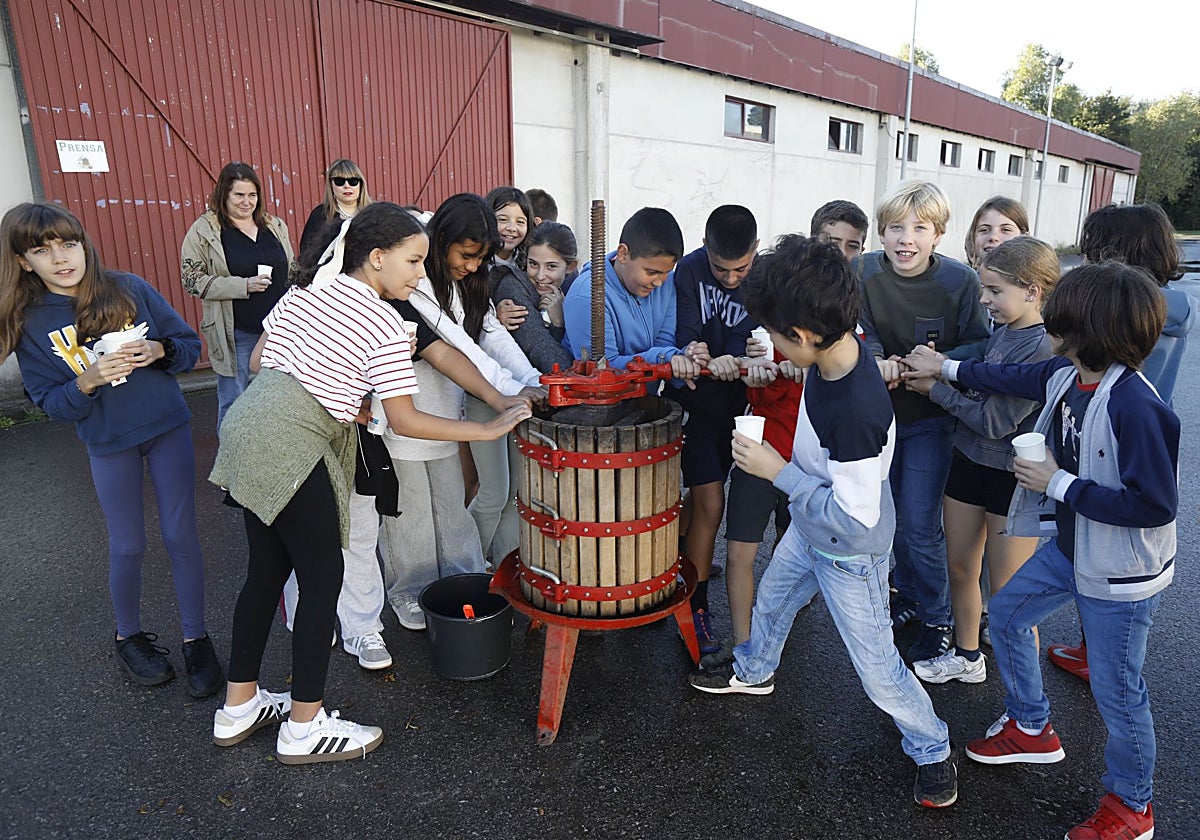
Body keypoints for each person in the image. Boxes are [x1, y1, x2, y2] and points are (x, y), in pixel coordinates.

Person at [209, 202, 530, 764]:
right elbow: (405, 420)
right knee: (322, 577)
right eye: (412, 261)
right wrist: (485, 431)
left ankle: (238, 706)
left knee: (265, 573)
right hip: (291, 445)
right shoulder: (383, 320)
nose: (417, 274)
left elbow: (262, 360)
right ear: (376, 257)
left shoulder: (308, 293)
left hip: (245, 428)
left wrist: (337, 392)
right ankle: (304, 724)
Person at [689, 234, 957, 810]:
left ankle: (933, 747)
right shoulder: (839, 345)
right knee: (773, 603)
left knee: (879, 670)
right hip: (813, 529)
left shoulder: (855, 411)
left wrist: (777, 471)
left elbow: (856, 518)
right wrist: (774, 361)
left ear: (806, 334)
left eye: (780, 336)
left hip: (849, 551)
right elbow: (794, 354)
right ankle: (754, 669)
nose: (776, 344)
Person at [938, 263, 1176, 840]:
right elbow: (1011, 378)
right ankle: (1031, 727)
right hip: (1074, 547)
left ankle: (1132, 808)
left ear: (1083, 332)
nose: (1047, 325)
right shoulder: (1070, 373)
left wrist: (1057, 484)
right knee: (1010, 613)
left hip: (1119, 574)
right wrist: (945, 368)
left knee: (1119, 695)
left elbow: (1155, 505)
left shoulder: (1136, 408)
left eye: (1057, 319)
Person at [0, 202, 223, 697]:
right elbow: (50, 405)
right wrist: (86, 381)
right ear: (21, 261)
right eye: (42, 250)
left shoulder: (128, 287)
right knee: (128, 545)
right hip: (106, 442)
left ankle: (196, 638)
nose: (60, 258)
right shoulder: (30, 322)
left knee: (180, 536)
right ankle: (128, 636)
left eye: (68, 244)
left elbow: (187, 344)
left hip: (167, 426)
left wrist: (158, 351)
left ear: (84, 244)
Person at [714, 203, 870, 665]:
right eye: (830, 243)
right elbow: (757, 361)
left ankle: (774, 635)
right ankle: (746, 646)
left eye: (851, 245)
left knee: (798, 550)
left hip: (809, 464)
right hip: (762, 447)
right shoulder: (773, 319)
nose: (840, 253)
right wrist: (755, 369)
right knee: (742, 547)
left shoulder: (847, 327)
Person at [1046, 201, 1194, 684]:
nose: (1088, 259)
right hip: (1118, 429)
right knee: (1104, 548)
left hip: (1116, 433)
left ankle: (1112, 662)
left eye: (1094, 250)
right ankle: (1097, 651)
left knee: (1122, 561)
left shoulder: (1129, 311)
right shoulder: (1167, 302)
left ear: (1118, 250)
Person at [901, 236, 1059, 684]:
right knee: (961, 568)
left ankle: (1025, 701)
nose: (984, 299)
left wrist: (936, 389)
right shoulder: (1004, 330)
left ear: (1033, 291)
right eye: (984, 288)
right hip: (968, 464)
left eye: (994, 291)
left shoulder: (1043, 347)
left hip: (1011, 479)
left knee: (1011, 596)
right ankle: (968, 657)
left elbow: (994, 421)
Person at [386, 193, 544, 625]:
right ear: (442, 239)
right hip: (406, 412)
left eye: (480, 258)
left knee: (452, 505)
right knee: (411, 512)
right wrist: (509, 391)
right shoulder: (411, 283)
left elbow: (490, 337)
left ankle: (464, 583)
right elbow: (457, 348)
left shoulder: (466, 282)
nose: (474, 266)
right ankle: (409, 593)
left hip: (445, 409)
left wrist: (531, 381)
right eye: (468, 254)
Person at [858, 179, 990, 663]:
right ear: (881, 233)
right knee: (890, 518)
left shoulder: (960, 281)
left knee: (919, 522)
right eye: (895, 228)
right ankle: (909, 595)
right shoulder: (864, 270)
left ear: (939, 235)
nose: (905, 239)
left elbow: (982, 344)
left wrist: (937, 361)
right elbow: (860, 328)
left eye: (919, 228)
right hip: (882, 417)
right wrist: (875, 358)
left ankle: (938, 616)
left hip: (933, 415)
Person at [672, 205, 763, 654]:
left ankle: (679, 570)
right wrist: (696, 349)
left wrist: (746, 356)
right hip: (697, 406)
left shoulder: (764, 278)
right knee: (710, 503)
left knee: (705, 506)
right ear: (704, 249)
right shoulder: (688, 271)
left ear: (756, 252)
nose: (730, 279)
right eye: (720, 269)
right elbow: (687, 331)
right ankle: (696, 606)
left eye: (740, 269)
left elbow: (762, 337)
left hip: (745, 408)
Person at [181, 161, 293, 429]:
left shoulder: (274, 225)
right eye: (239, 195)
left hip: (278, 328)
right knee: (234, 400)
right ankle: (231, 464)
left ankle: (272, 454)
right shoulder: (205, 231)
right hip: (236, 331)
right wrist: (242, 286)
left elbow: (292, 269)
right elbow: (191, 280)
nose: (247, 202)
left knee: (280, 395)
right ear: (224, 195)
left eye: (252, 195)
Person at [562, 206, 700, 380]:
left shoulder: (667, 282)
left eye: (665, 272)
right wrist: (664, 358)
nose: (659, 282)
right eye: (651, 272)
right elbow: (603, 369)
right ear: (623, 254)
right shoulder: (585, 296)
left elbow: (664, 344)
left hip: (645, 399)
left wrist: (685, 358)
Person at [489, 221, 576, 372]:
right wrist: (557, 325)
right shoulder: (514, 288)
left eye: (551, 266)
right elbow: (541, 348)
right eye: (533, 264)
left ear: (570, 267)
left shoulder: (574, 288)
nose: (540, 276)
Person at [299, 158, 372, 255]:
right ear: (331, 185)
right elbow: (306, 252)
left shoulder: (373, 214)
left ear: (361, 184)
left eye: (353, 181)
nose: (346, 185)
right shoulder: (320, 214)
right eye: (339, 181)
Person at [962, 196, 1029, 268]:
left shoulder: (1037, 278)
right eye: (984, 230)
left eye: (1005, 230)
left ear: (1024, 237)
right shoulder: (961, 277)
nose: (993, 237)